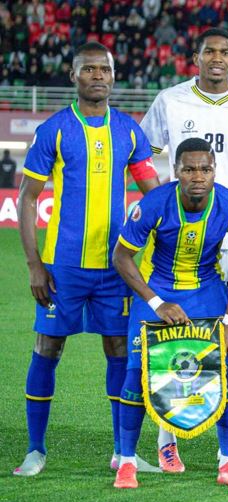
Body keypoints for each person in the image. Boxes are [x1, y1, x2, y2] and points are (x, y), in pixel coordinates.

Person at [140, 27, 228, 473]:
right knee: (177, 333)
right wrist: (160, 205)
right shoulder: (170, 100)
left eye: (225, 51)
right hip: (181, 239)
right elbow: (145, 158)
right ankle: (168, 439)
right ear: (196, 57)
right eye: (209, 51)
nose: (217, 57)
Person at [13, 42, 160, 478]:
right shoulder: (55, 130)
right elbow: (27, 198)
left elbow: (154, 196)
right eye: (89, 69)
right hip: (63, 267)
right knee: (48, 347)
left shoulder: (129, 131)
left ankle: (122, 452)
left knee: (120, 351)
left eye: (105, 69)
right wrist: (34, 265)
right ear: (73, 76)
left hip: (116, 269)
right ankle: (35, 450)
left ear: (114, 77)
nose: (98, 76)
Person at [111, 138, 228, 489]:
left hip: (207, 293)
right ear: (175, 171)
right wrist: (156, 302)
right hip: (159, 292)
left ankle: (227, 463)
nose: (198, 176)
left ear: (214, 171)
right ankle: (127, 464)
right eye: (189, 169)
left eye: (205, 169)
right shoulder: (155, 203)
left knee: (224, 372)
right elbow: (121, 257)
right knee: (136, 375)